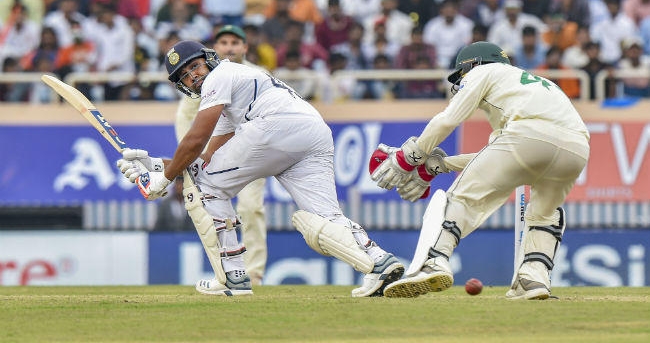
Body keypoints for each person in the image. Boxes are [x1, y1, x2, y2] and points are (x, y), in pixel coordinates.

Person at [117, 39, 404, 297]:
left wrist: (163, 180)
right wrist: (155, 164)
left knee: (206, 186)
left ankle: (233, 276)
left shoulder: (219, 76)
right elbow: (207, 158)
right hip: (313, 132)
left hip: (275, 126)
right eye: (184, 75)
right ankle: (379, 262)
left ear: (209, 60)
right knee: (326, 216)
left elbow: (195, 140)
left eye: (194, 66)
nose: (192, 76)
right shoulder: (234, 88)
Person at [370, 41, 590, 300]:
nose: (460, 81)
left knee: (462, 197)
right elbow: (495, 157)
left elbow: (448, 120)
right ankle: (533, 279)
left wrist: (409, 157)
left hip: (526, 137)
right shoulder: (532, 85)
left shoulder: (484, 71)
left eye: (461, 74)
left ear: (473, 64)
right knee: (545, 214)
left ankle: (434, 261)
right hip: (577, 149)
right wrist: (442, 165)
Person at [173, 25, 268, 286]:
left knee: (250, 208)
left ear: (245, 47)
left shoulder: (257, 73)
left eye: (235, 42)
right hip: (215, 153)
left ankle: (254, 273)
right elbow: (185, 119)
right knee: (214, 209)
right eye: (224, 42)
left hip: (252, 151)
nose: (229, 47)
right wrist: (188, 160)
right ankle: (228, 270)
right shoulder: (202, 78)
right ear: (214, 49)